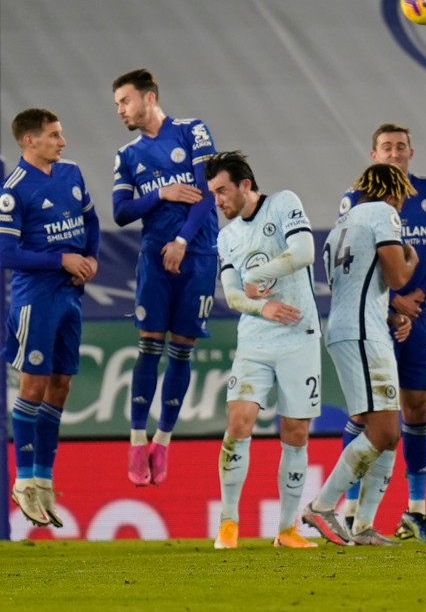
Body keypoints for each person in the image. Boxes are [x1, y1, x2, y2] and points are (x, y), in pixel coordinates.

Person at [336, 123, 426, 544]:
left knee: (417, 407)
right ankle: (350, 507)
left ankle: (417, 509)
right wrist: (394, 304)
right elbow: (347, 264)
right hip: (373, 314)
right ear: (374, 154)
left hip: (417, 312)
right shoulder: (357, 199)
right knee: (364, 411)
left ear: (411, 152)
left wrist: (418, 296)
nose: (394, 153)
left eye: (400, 146)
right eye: (386, 147)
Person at [206, 151, 321, 550]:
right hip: (255, 339)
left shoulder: (284, 203)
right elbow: (233, 296)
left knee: (295, 432)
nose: (217, 200)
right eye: (213, 193)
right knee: (239, 421)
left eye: (222, 190)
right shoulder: (226, 237)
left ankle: (287, 530)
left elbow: (304, 252)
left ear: (245, 186)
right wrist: (262, 305)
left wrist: (258, 274)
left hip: (299, 336)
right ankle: (228, 523)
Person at [111, 69, 219, 486]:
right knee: (149, 346)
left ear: (149, 97)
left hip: (198, 254)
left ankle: (164, 439)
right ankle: (137, 440)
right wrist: (160, 194)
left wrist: (181, 240)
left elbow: (206, 192)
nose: (120, 110)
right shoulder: (127, 155)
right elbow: (121, 212)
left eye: (125, 100)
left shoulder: (192, 131)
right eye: (118, 104)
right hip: (153, 259)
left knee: (183, 350)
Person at [302, 164, 419, 547]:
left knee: (389, 434)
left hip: (350, 327)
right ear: (393, 191)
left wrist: (389, 314)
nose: (402, 204)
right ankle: (322, 507)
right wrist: (410, 261)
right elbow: (398, 277)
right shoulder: (384, 214)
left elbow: (357, 287)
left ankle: (364, 526)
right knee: (384, 431)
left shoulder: (342, 225)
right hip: (363, 334)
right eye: (401, 195)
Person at [2, 109, 100, 528]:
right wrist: (60, 258)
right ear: (29, 141)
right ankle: (23, 480)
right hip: (35, 298)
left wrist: (92, 257)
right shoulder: (13, 191)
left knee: (61, 385)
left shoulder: (72, 173)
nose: (63, 142)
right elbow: (6, 254)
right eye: (54, 135)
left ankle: (43, 480)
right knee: (34, 383)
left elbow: (92, 220)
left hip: (70, 295)